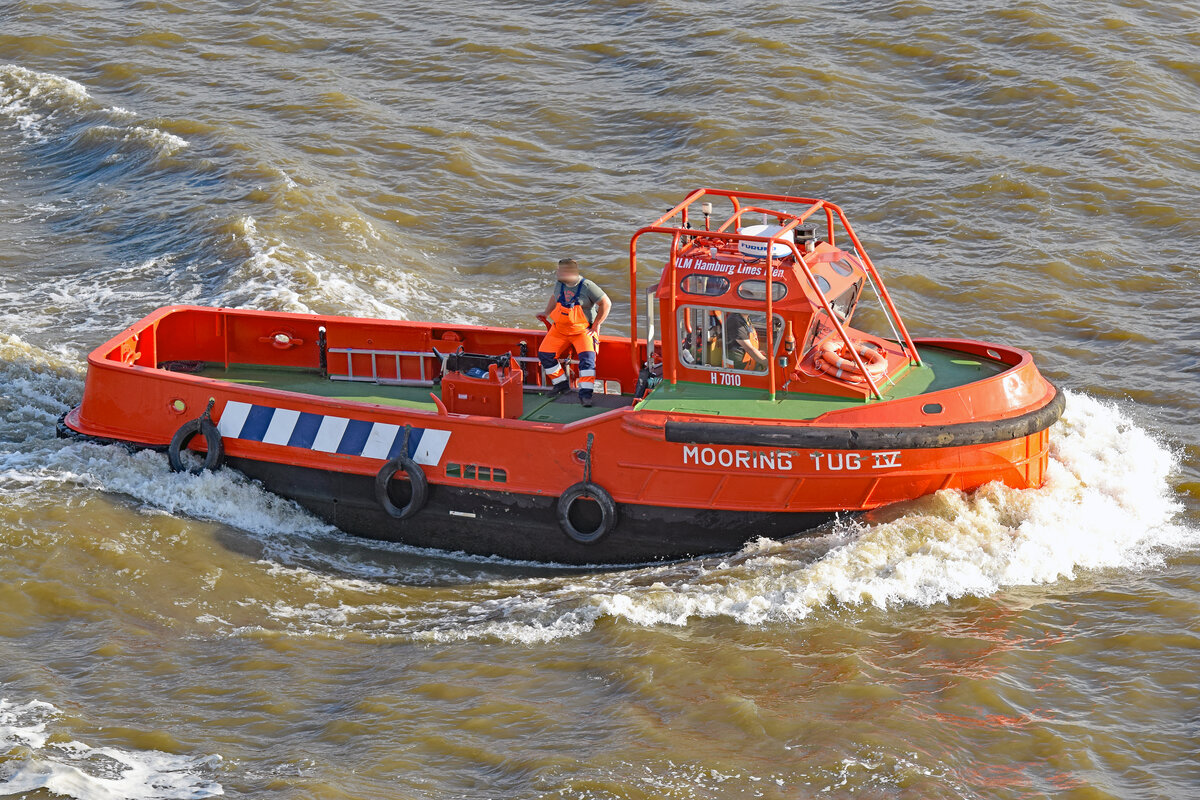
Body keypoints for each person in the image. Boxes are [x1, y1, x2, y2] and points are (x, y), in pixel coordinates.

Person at [537, 258, 611, 406]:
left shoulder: (588, 286)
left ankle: (585, 395)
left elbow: (606, 303)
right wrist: (546, 313)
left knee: (587, 360)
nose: (557, 272)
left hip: (582, 331)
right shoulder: (559, 284)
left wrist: (596, 325)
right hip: (559, 329)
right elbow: (555, 297)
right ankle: (561, 385)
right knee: (545, 354)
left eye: (560, 270)